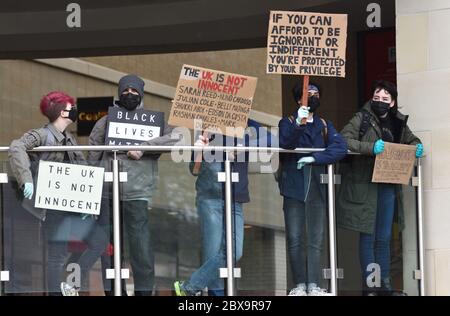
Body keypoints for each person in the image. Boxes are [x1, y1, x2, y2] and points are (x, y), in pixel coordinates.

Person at [87, 74, 184, 296]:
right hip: (107, 193)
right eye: (125, 91)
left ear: (141, 94)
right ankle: (113, 292)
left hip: (137, 193)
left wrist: (144, 147)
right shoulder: (105, 121)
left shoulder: (153, 122)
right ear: (119, 93)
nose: (130, 95)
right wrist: (91, 192)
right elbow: (93, 156)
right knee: (109, 249)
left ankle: (143, 293)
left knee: (141, 248)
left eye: (134, 91)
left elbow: (178, 136)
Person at [8, 91, 107, 296]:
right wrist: (26, 179)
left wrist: (86, 203)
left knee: (98, 241)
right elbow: (16, 147)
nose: (74, 112)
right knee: (57, 255)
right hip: (52, 207)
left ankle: (70, 284)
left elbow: (83, 170)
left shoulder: (69, 139)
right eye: (71, 108)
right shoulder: (42, 135)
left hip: (72, 206)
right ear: (63, 112)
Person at [336, 80, 423, 296]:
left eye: (385, 99)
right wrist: (369, 148)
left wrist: (416, 147)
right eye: (377, 97)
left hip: (388, 187)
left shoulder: (398, 122)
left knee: (383, 238)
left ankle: (384, 286)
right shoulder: (362, 118)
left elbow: (412, 140)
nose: (380, 101)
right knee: (368, 237)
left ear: (393, 102)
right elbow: (343, 140)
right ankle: (370, 286)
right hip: (366, 185)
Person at [174, 119, 272, 296]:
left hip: (235, 198)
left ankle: (189, 287)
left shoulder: (247, 125)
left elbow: (272, 139)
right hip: (210, 198)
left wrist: (244, 145)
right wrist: (199, 152)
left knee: (234, 252)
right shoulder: (206, 127)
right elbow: (194, 170)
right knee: (213, 253)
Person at [278, 83, 347, 296]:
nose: (314, 97)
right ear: (300, 100)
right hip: (293, 187)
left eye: (317, 94)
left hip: (317, 187)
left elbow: (340, 148)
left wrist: (316, 157)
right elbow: (286, 142)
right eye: (310, 94)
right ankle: (299, 285)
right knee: (295, 237)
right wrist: (299, 123)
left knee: (315, 239)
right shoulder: (287, 122)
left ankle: (313, 285)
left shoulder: (325, 124)